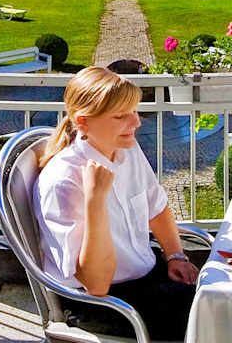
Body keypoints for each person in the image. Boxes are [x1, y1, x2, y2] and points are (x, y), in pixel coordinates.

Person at [36, 67, 199, 338]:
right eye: (121, 116)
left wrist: (175, 256)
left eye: (134, 111)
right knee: (207, 320)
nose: (136, 122)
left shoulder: (126, 149)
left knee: (218, 297)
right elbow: (96, 284)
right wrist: (95, 199)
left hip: (145, 276)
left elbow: (155, 206)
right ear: (83, 122)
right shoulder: (63, 181)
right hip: (99, 301)